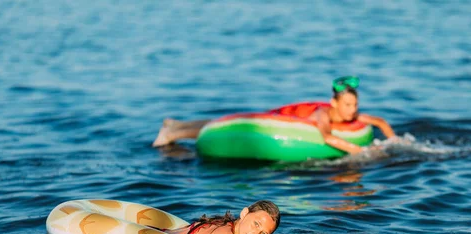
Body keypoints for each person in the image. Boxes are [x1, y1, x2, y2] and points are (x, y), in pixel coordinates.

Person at [152, 76, 400, 154]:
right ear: (334, 102)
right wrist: (361, 152)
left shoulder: (352, 116)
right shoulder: (323, 114)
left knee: (216, 122)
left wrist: (393, 139)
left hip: (292, 117)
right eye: (347, 105)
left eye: (355, 105)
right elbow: (325, 137)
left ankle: (176, 123)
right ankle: (175, 131)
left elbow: (378, 121)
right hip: (284, 117)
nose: (352, 110)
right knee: (219, 127)